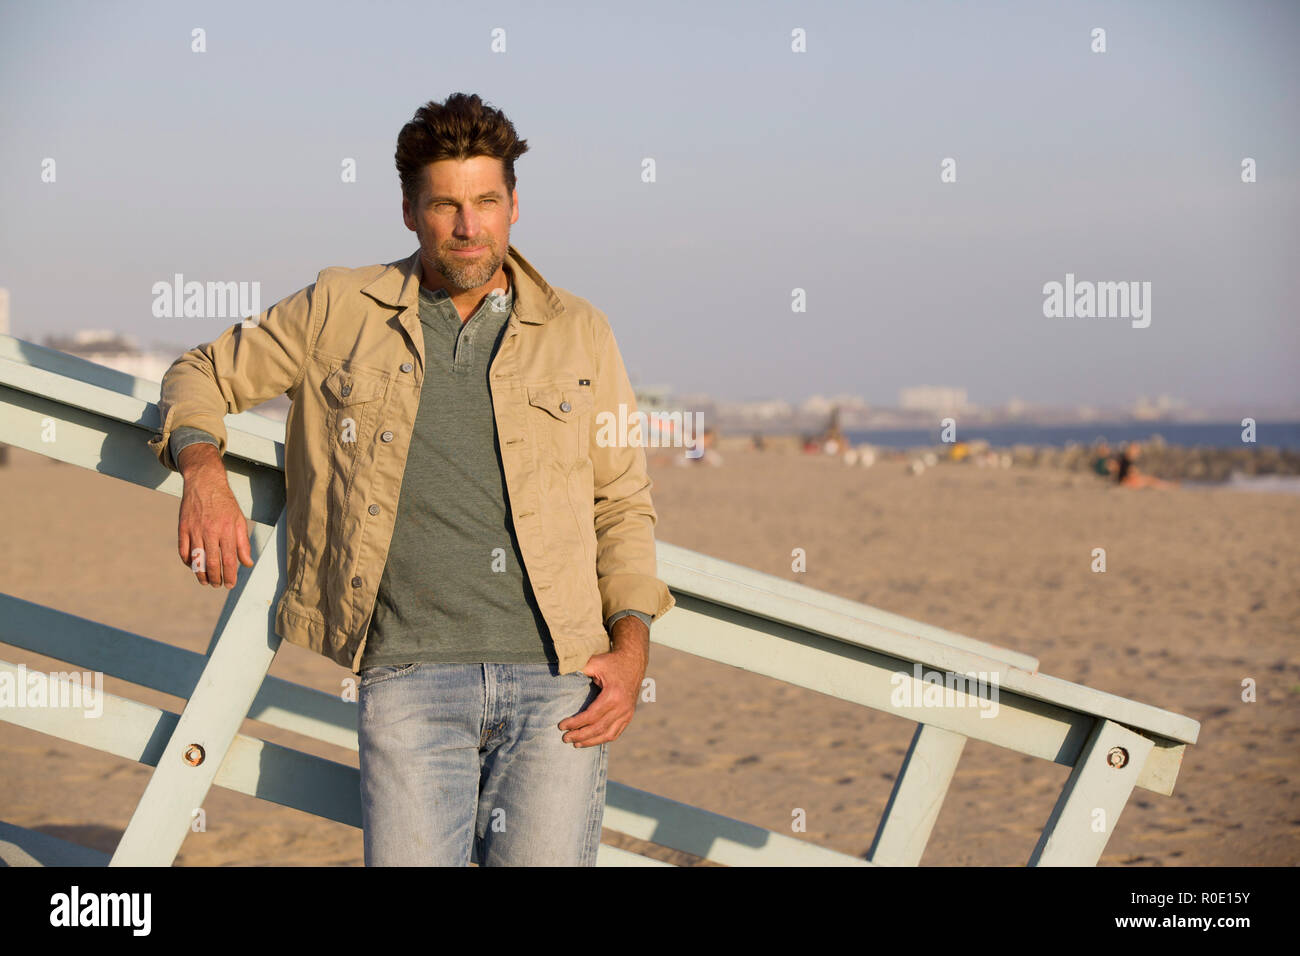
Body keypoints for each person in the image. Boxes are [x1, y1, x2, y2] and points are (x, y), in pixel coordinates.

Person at [148, 93, 675, 866]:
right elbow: (199, 371)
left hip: (560, 684)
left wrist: (631, 653)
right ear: (409, 211)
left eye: (487, 201)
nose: (469, 226)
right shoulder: (339, 308)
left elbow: (622, 505)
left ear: (515, 205)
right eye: (446, 205)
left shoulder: (580, 332)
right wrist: (203, 471)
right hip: (408, 680)